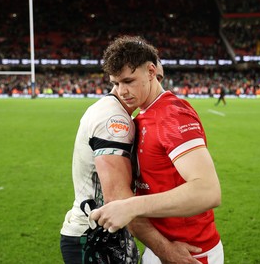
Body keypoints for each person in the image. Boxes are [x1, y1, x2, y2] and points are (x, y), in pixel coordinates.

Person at [91, 35, 224, 264]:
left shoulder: (173, 116)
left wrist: (130, 206)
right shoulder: (143, 115)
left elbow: (208, 191)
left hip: (191, 252)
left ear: (151, 72)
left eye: (129, 81)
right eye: (115, 83)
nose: (121, 91)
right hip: (162, 245)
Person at [60, 83, 202, 263]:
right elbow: (118, 198)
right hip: (93, 239)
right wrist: (167, 251)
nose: (157, 90)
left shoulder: (113, 111)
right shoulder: (114, 118)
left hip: (105, 234)